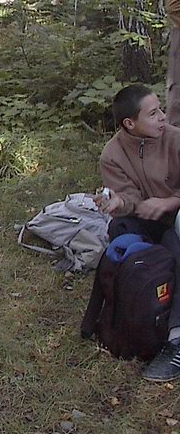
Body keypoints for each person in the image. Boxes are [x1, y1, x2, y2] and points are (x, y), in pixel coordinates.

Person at [94, 84, 180, 381]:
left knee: (176, 247)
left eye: (161, 109)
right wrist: (118, 202)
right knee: (121, 233)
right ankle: (131, 313)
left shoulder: (175, 140)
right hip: (145, 219)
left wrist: (169, 202)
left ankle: (176, 339)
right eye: (153, 113)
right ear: (130, 123)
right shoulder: (112, 155)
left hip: (176, 216)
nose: (162, 117)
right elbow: (130, 199)